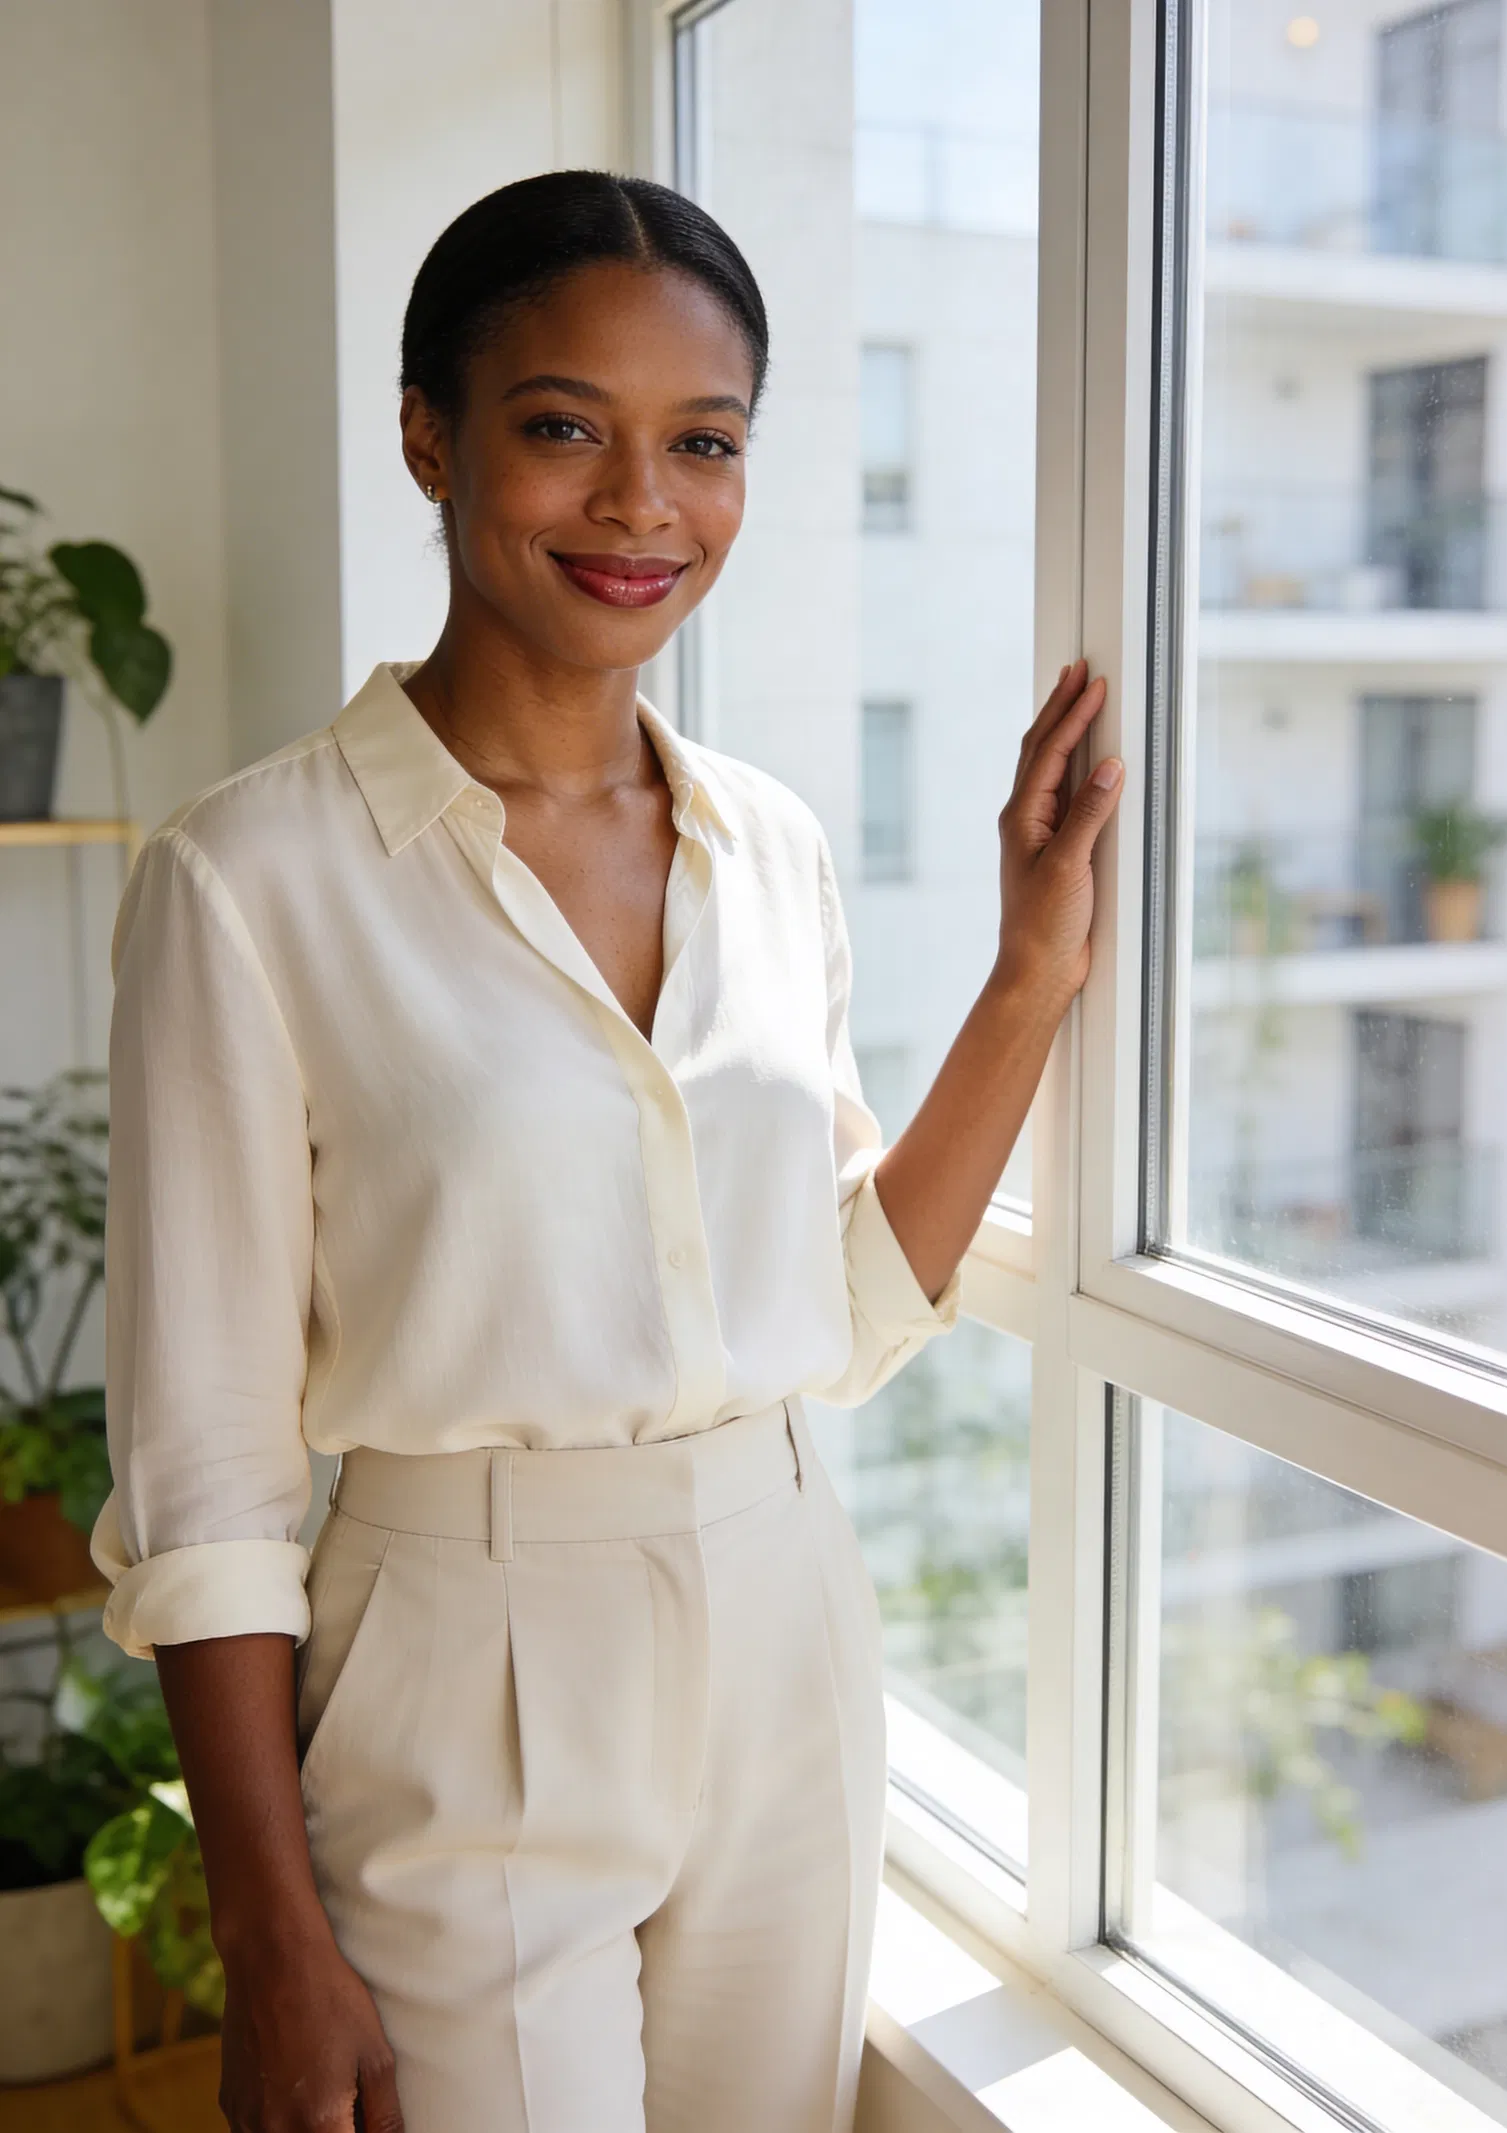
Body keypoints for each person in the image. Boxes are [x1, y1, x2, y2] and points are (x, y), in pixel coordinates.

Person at [90, 170, 1121, 2133]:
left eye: (701, 444)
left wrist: (1024, 981)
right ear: (429, 435)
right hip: (457, 1654)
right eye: (565, 427)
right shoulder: (249, 880)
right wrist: (270, 1938)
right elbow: (206, 1471)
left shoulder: (774, 846)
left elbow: (831, 1296)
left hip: (785, 1615)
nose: (642, 505)